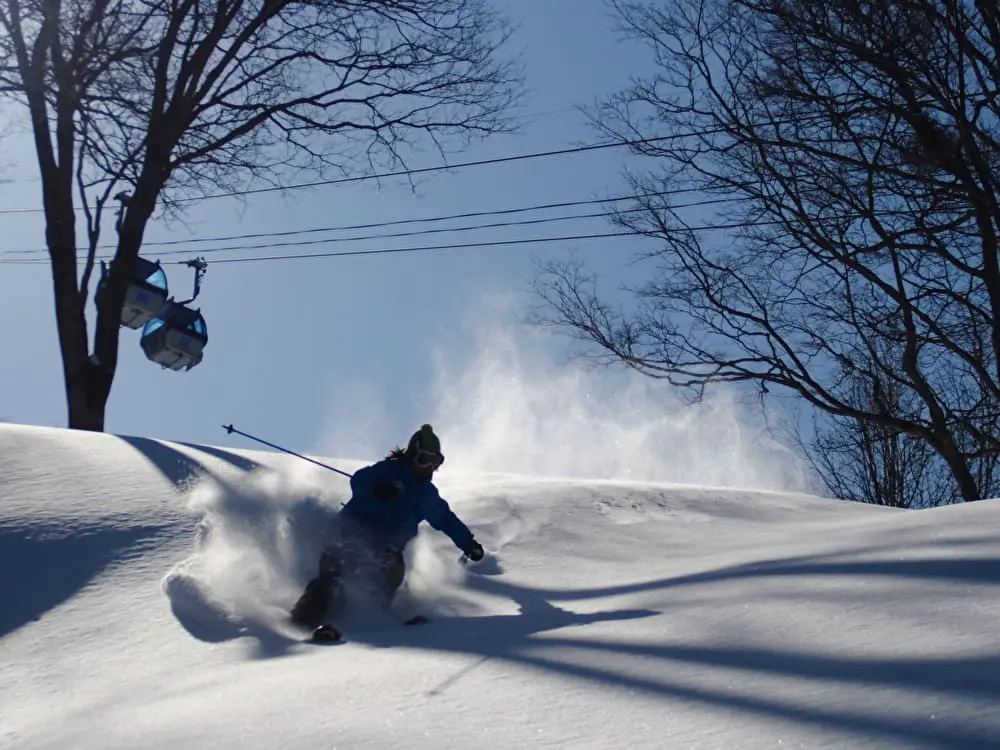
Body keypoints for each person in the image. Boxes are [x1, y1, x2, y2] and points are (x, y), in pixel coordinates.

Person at [290, 424, 485, 628]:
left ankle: (367, 621)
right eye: (423, 459)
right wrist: (377, 490)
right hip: (351, 535)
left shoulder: (426, 494)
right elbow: (359, 480)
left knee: (390, 575)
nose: (428, 467)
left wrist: (468, 543)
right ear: (411, 455)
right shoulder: (388, 470)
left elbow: (445, 519)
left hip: (387, 550)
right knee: (333, 574)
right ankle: (304, 619)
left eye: (435, 462)